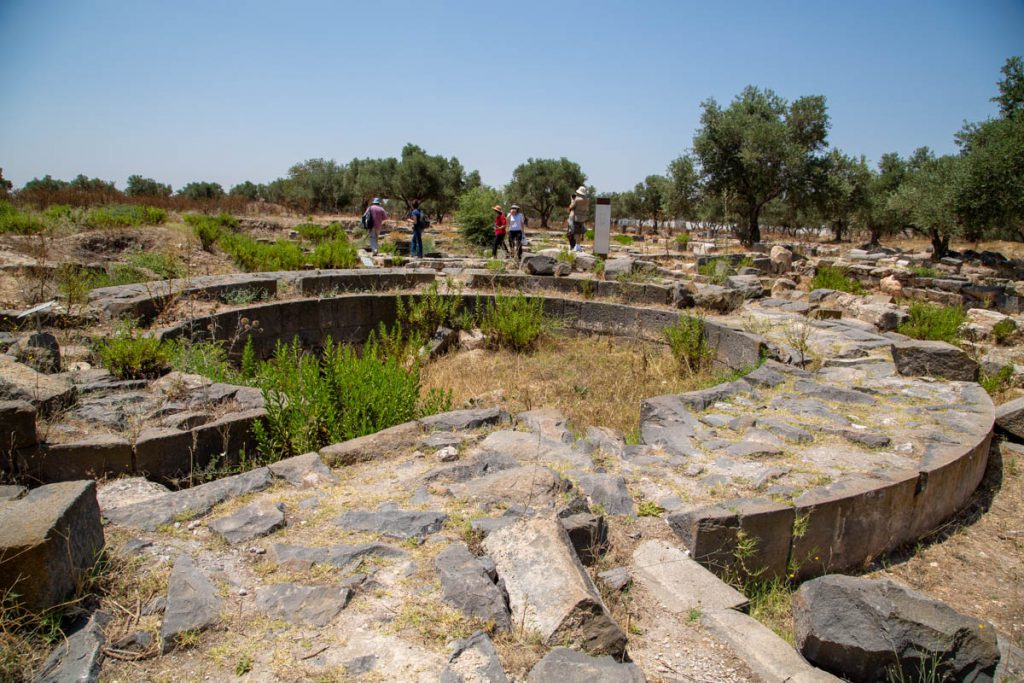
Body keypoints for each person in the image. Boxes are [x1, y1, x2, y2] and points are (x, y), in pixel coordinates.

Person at [568, 185, 589, 251]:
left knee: (576, 232)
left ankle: (577, 246)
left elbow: (571, 207)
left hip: (575, 217)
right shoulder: (587, 200)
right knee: (579, 232)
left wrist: (572, 201)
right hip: (582, 218)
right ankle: (578, 245)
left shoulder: (576, 200)